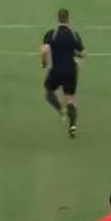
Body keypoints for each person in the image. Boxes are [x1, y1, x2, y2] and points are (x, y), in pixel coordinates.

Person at [41, 8, 85, 139]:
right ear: (68, 18)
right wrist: (76, 56)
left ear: (58, 18)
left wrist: (44, 63)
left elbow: (44, 50)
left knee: (49, 93)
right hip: (71, 71)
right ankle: (73, 126)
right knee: (70, 99)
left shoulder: (52, 34)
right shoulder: (74, 35)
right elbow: (82, 53)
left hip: (56, 70)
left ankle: (61, 110)